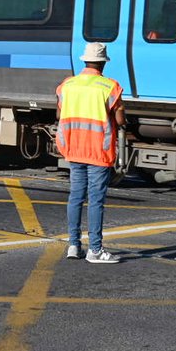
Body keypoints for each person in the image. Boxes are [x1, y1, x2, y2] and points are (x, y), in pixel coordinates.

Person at [56, 42, 126, 264]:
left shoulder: (67, 85)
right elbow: (120, 120)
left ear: (84, 60)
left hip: (74, 148)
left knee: (76, 196)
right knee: (95, 200)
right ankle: (95, 250)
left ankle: (74, 245)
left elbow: (59, 114)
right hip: (98, 151)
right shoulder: (110, 87)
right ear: (103, 63)